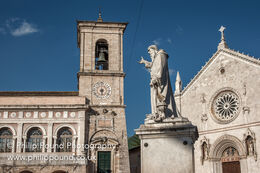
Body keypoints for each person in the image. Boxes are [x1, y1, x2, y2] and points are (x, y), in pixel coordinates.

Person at [139, 45, 179, 120]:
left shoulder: (160, 55)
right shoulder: (157, 57)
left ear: (154, 50)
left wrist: (156, 78)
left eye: (150, 52)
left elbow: (160, 68)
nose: (150, 54)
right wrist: (145, 62)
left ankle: (161, 114)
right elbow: (154, 65)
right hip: (155, 83)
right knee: (155, 99)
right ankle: (156, 113)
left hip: (159, 83)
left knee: (160, 99)